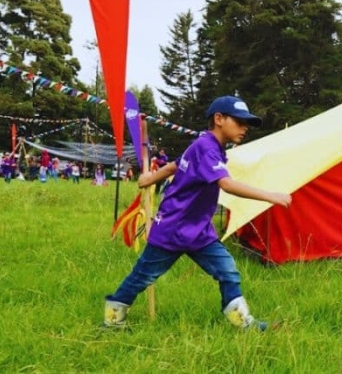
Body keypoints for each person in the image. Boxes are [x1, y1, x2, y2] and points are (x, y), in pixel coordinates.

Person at [103, 96, 292, 330]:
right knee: (143, 276)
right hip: (173, 228)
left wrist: (152, 177)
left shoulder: (207, 146)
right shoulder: (206, 147)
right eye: (240, 122)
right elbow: (227, 184)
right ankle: (112, 320)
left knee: (227, 271)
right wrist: (271, 196)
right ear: (219, 119)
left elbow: (175, 165)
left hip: (199, 231)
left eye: (247, 124)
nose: (245, 128)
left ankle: (244, 324)